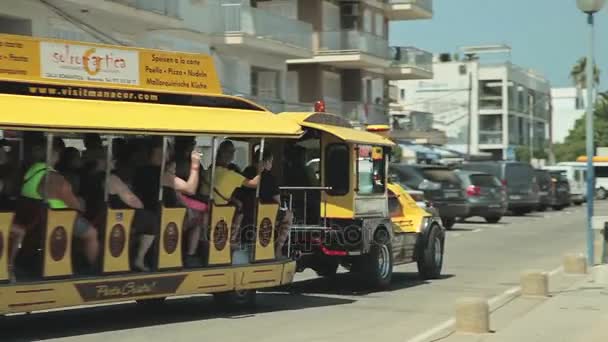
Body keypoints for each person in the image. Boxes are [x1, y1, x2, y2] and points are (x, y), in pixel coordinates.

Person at [10, 137, 100, 276]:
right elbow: (76, 205)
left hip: (33, 218)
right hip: (55, 218)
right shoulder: (55, 178)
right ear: (54, 156)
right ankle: (94, 269)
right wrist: (81, 202)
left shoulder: (32, 170)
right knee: (91, 233)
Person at [133, 138, 203, 267]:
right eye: (168, 151)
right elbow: (190, 189)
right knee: (197, 220)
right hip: (160, 216)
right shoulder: (160, 174)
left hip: (147, 213)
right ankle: (189, 255)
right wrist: (195, 166)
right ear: (161, 152)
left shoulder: (140, 169)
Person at [108, 142, 157, 272]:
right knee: (151, 220)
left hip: (113, 214)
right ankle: (139, 259)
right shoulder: (113, 178)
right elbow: (134, 202)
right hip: (116, 216)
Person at [243, 149, 292, 257]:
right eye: (271, 162)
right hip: (262, 214)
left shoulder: (245, 172)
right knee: (289, 216)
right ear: (265, 162)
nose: (271, 165)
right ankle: (278, 248)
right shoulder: (269, 178)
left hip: (245, 211)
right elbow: (277, 202)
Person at [214, 140, 263, 247]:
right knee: (240, 210)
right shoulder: (230, 174)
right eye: (232, 152)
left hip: (211, 207)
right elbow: (254, 184)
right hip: (222, 212)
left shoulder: (211, 169)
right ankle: (232, 240)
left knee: (238, 204)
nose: (233, 154)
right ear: (227, 154)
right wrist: (260, 171)